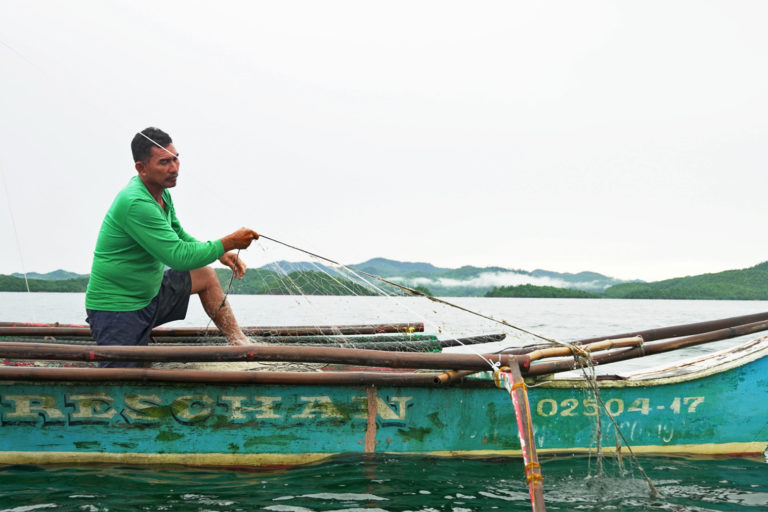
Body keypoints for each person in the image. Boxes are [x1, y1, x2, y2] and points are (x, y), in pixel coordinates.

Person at [85, 127, 259, 367]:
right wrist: (227, 242)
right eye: (164, 162)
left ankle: (241, 345)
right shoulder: (136, 202)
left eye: (176, 158)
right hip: (118, 308)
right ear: (141, 168)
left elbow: (178, 234)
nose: (174, 168)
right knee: (123, 384)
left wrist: (221, 254)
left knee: (206, 276)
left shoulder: (162, 194)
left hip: (150, 295)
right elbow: (178, 257)